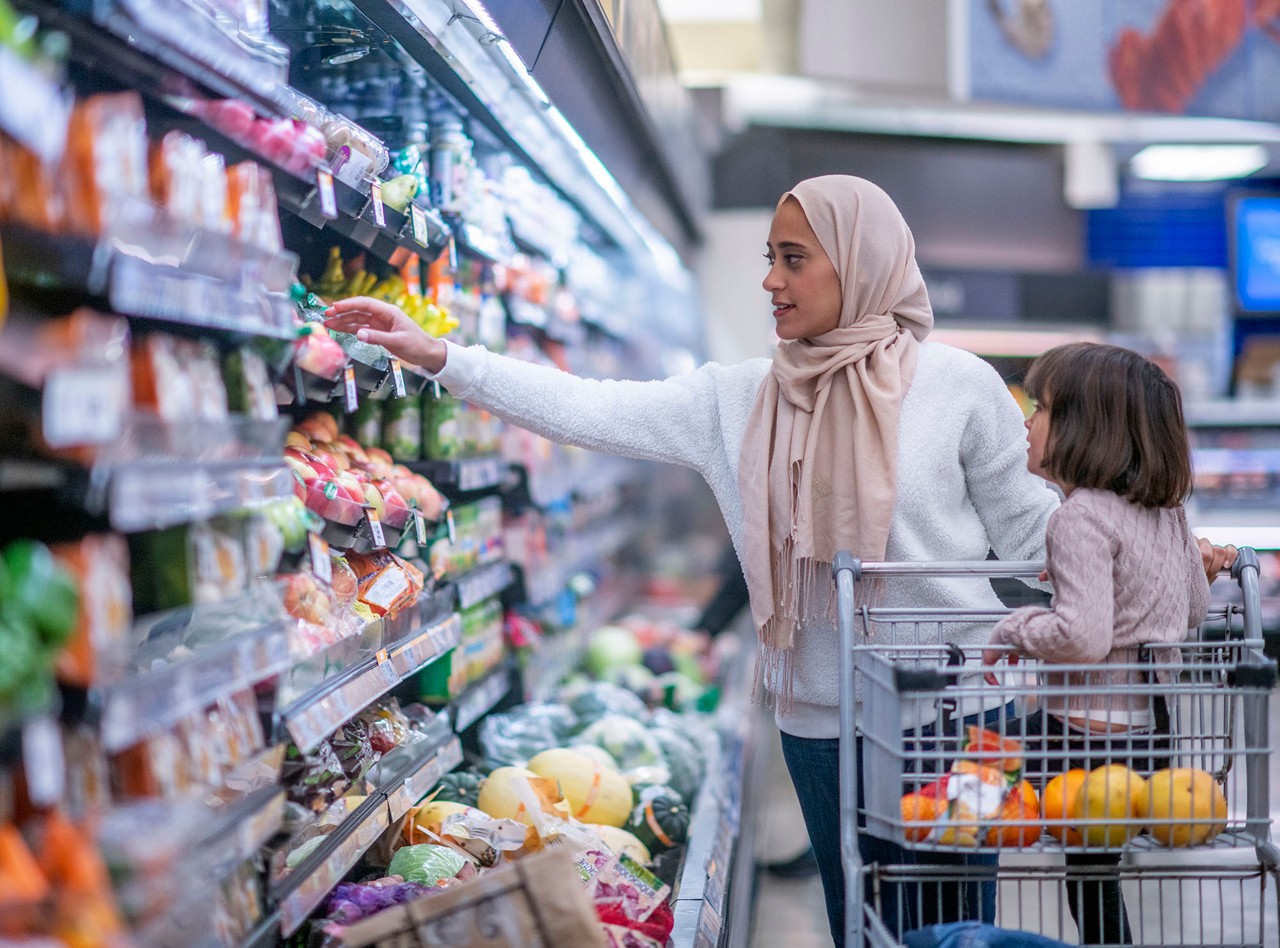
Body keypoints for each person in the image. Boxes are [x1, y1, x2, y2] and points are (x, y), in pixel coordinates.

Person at [326, 176, 1232, 946]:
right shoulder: (740, 399)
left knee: (951, 918)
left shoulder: (957, 386)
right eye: (769, 255)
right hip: (817, 710)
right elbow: (589, 406)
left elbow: (1039, 529)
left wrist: (1173, 552)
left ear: (861, 260)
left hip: (952, 706)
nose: (771, 279)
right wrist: (444, 357)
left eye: (795, 258)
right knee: (859, 921)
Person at [981, 343, 1215, 945]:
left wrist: (1012, 629)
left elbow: (1081, 638)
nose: (1026, 423)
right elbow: (1192, 609)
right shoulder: (1167, 515)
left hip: (1080, 739)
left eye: (1042, 408)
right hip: (1150, 741)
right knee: (1091, 873)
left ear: (1087, 428)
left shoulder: (1079, 516)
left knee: (963, 768)